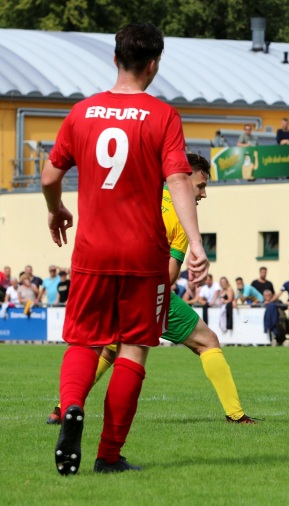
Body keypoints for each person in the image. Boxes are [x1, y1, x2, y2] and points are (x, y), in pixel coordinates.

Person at [41, 23, 209, 475]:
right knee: (133, 348)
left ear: (115, 59)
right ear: (154, 64)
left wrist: (56, 210)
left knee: (84, 339)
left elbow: (48, 176)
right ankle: (109, 455)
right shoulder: (162, 116)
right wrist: (195, 243)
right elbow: (178, 180)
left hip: (92, 252)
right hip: (143, 254)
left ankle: (72, 405)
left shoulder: (81, 113)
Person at [47, 154, 256, 431]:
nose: (203, 194)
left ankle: (63, 409)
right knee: (207, 341)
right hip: (148, 291)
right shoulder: (182, 217)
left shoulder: (143, 193)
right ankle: (236, 415)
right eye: (201, 186)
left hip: (111, 282)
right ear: (184, 177)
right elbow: (169, 274)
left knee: (109, 350)